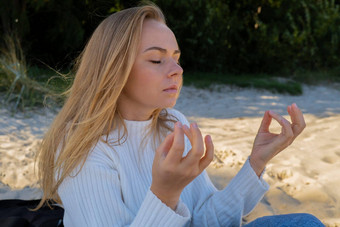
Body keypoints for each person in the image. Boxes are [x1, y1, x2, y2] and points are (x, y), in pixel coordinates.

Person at [35, 3, 325, 227]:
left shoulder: (174, 123)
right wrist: (165, 195)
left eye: (176, 58)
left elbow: (207, 220)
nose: (177, 70)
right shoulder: (84, 147)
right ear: (113, 69)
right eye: (157, 59)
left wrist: (256, 162)